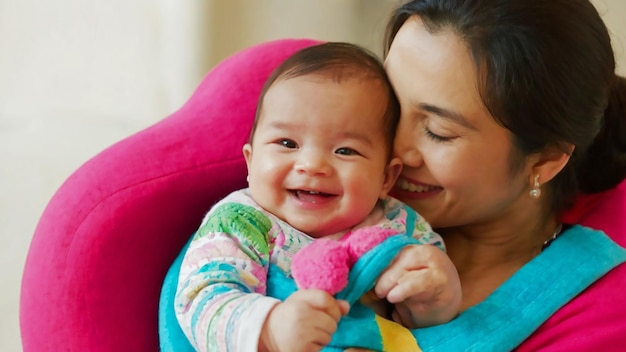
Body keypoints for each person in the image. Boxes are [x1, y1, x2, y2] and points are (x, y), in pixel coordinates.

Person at [174, 42, 462, 352]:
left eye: (345, 151)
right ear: (250, 161)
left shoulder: (398, 226)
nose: (312, 165)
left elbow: (425, 323)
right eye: (287, 143)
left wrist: (437, 297)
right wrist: (270, 329)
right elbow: (201, 299)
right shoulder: (241, 222)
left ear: (385, 177)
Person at [374, 0, 626, 350]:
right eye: (387, 102)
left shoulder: (598, 324)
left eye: (438, 131)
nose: (392, 149)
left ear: (544, 161)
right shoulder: (304, 124)